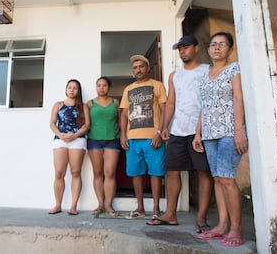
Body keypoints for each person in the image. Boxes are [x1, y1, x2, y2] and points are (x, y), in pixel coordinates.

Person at [147, 35, 213, 231]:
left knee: (203, 173)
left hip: (200, 130)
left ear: (196, 48)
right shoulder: (174, 75)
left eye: (186, 47)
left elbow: (208, 101)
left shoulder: (206, 71)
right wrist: (163, 127)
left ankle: (201, 218)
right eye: (180, 48)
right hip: (178, 130)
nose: (182, 51)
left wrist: (200, 130)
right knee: (172, 171)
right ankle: (170, 214)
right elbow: (172, 103)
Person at [193, 32, 248, 247]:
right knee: (217, 178)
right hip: (209, 133)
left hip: (228, 132)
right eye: (213, 44)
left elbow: (238, 98)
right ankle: (222, 225)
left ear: (230, 49)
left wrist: (239, 130)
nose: (217, 48)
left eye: (222, 44)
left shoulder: (234, 69)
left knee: (226, 178)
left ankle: (236, 228)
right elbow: (203, 107)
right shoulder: (205, 74)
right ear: (208, 49)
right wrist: (198, 133)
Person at [119, 55, 167, 219]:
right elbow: (124, 114)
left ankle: (156, 208)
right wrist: (123, 135)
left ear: (148, 68)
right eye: (135, 67)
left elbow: (164, 110)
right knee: (135, 173)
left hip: (152, 137)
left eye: (141, 66)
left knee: (156, 173)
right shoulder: (128, 89)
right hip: (132, 139)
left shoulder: (157, 85)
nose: (138, 69)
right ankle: (140, 207)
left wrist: (160, 132)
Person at [49, 79, 90, 216]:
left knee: (76, 172)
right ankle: (58, 205)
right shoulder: (58, 104)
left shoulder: (83, 106)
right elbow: (52, 123)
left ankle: (73, 206)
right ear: (66, 89)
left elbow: (86, 125)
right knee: (59, 173)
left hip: (77, 140)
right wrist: (60, 135)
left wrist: (75, 135)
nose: (72, 90)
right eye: (69, 87)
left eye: (75, 88)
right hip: (60, 140)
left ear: (78, 91)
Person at [87, 77, 121, 218]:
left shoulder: (115, 102)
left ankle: (109, 205)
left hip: (113, 139)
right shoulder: (90, 104)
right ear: (96, 87)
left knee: (110, 173)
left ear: (108, 87)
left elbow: (120, 121)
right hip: (94, 140)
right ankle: (100, 204)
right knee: (97, 173)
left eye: (104, 85)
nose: (101, 88)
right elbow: (85, 122)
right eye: (99, 85)